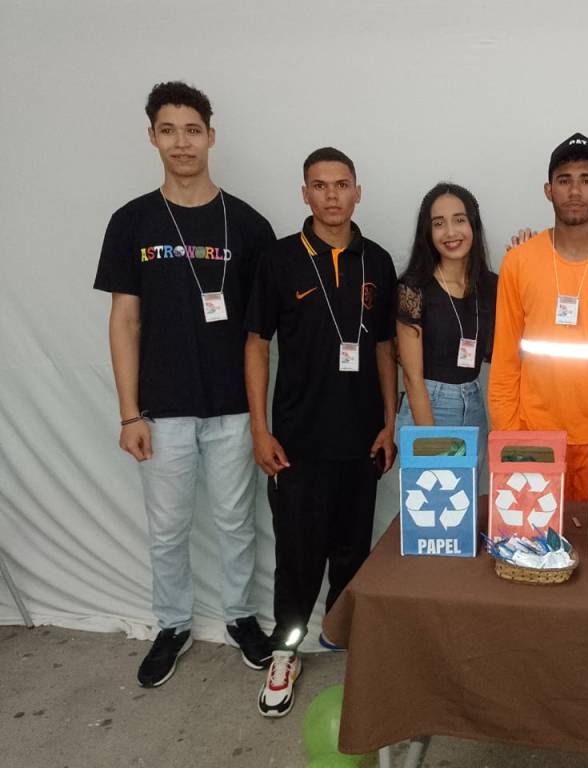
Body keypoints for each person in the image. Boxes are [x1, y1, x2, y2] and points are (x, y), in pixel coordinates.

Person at [93, 81, 275, 687]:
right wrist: (129, 414)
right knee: (168, 530)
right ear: (152, 137)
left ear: (211, 136)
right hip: (162, 410)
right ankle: (172, 624)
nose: (181, 142)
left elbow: (262, 333)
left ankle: (241, 617)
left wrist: (260, 417)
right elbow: (124, 320)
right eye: (168, 130)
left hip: (232, 408)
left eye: (192, 130)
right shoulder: (132, 221)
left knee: (236, 523)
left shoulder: (248, 224)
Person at [244, 147, 398, 717]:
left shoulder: (377, 261)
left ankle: (347, 640)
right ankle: (285, 652)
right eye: (320, 185)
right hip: (298, 441)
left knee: (354, 548)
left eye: (342, 184)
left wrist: (390, 422)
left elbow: (384, 348)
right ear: (304, 193)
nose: (332, 196)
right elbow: (256, 346)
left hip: (362, 440)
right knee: (298, 554)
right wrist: (260, 429)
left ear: (358, 191)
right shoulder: (279, 259)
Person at [489, 133, 588, 502]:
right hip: (532, 438)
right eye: (564, 180)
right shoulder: (518, 262)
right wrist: (510, 434)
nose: (575, 191)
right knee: (531, 537)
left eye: (587, 180)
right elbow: (505, 360)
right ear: (548, 190)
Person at [396, 183, 498, 433]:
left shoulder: (491, 285)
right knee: (434, 463)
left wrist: (522, 258)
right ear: (428, 232)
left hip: (474, 402)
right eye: (439, 223)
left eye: (459, 220)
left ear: (473, 225)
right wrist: (431, 442)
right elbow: (412, 378)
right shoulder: (413, 288)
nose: (451, 232)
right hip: (428, 404)